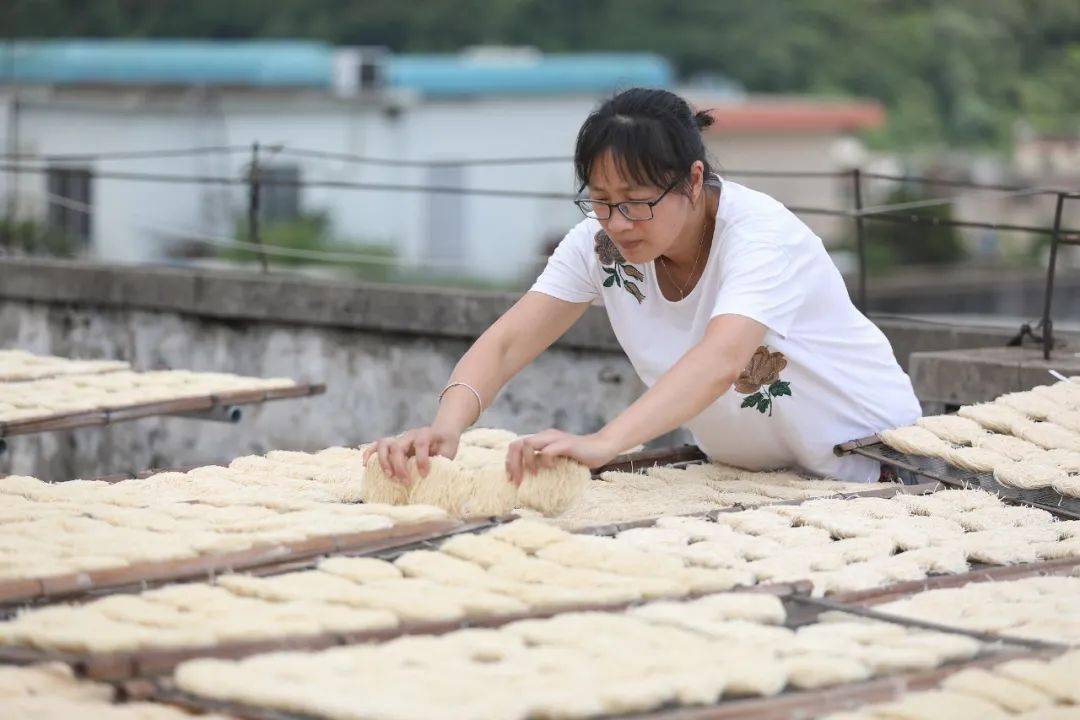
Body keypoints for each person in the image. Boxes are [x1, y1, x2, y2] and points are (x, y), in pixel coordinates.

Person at [365, 87, 921, 486]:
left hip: (872, 465)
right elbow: (509, 340)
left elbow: (724, 358)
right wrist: (447, 427)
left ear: (694, 179)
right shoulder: (598, 244)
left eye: (637, 201)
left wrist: (606, 443)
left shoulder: (760, 237)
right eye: (601, 200)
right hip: (752, 480)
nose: (618, 221)